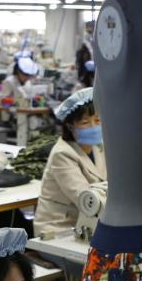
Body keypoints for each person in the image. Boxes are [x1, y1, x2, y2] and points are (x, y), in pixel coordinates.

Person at [35, 88, 106, 234]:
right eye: (85, 122)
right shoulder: (62, 154)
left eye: (97, 120)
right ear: (70, 126)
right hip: (58, 229)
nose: (94, 126)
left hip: (89, 224)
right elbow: (85, 199)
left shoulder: (100, 148)